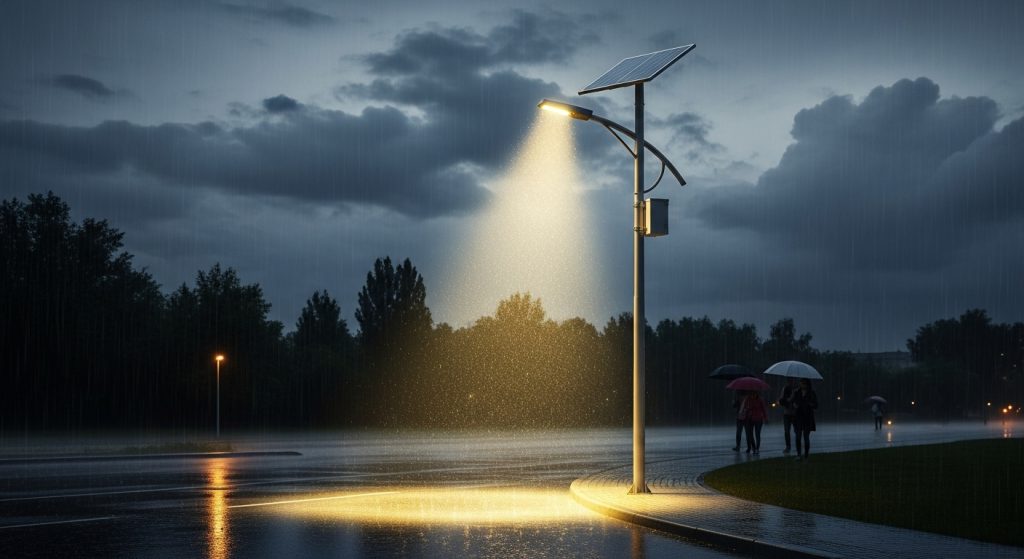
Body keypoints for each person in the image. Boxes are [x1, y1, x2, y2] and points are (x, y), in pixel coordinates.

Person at [791, 378, 818, 460]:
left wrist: (810, 404)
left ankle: (806, 455)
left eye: (804, 383)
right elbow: (792, 402)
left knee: (806, 437)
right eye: (801, 383)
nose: (802, 384)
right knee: (798, 437)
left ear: (807, 384)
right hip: (798, 417)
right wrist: (794, 405)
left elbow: (816, 405)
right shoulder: (796, 392)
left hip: (807, 417)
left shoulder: (811, 393)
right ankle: (799, 454)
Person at [776, 378, 798, 453]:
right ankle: (788, 446)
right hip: (787, 413)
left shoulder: (797, 389)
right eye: (790, 381)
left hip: (795, 413)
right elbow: (782, 400)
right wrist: (788, 399)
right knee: (787, 431)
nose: (791, 382)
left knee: (797, 431)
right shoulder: (785, 389)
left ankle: (797, 445)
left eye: (792, 380)